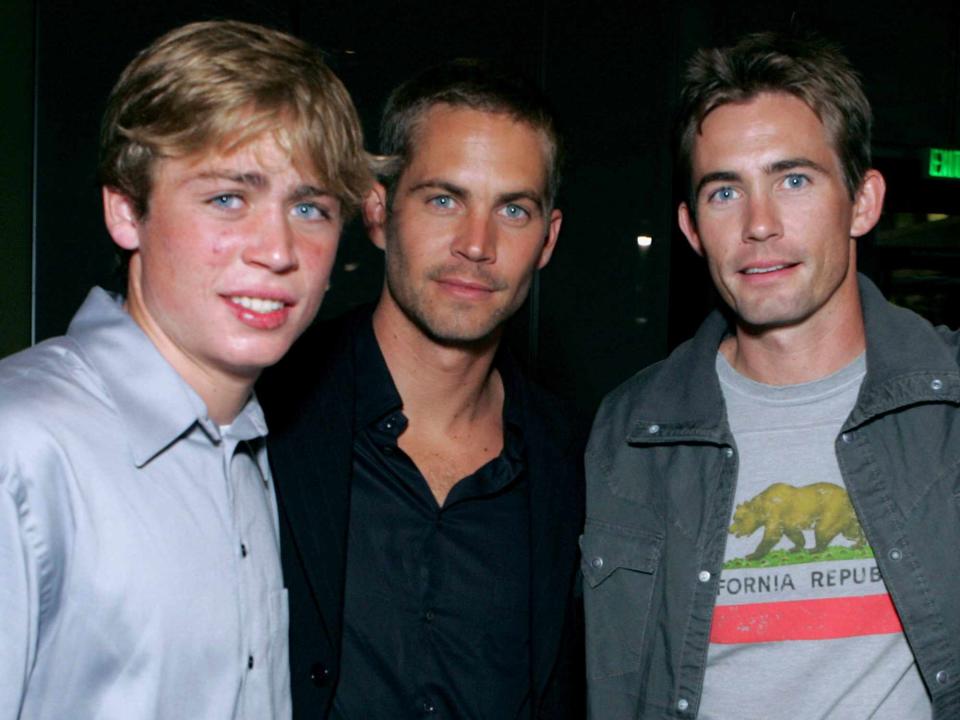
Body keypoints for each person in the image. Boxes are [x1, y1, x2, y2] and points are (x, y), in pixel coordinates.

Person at [0, 20, 370, 720]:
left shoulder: (251, 448)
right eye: (229, 197)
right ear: (125, 211)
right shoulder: (21, 445)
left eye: (310, 207)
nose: (278, 249)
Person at [584, 31, 958, 719]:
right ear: (693, 230)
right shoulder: (626, 434)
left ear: (864, 202)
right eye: (725, 192)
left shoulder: (951, 409)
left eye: (793, 179)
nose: (759, 224)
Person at [259, 59, 585, 719]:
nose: (477, 244)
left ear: (547, 241)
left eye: (514, 209)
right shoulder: (265, 416)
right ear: (378, 212)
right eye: (444, 199)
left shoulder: (582, 460)